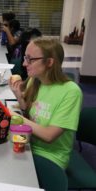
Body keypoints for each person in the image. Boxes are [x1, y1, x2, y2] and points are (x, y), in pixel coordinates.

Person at [9, 37, 83, 170]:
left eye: (30, 59)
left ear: (49, 62)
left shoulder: (71, 92)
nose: (25, 64)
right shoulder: (36, 80)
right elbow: (30, 113)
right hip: (29, 142)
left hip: (50, 156)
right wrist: (19, 97)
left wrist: (13, 116)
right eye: (25, 58)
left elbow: (49, 136)